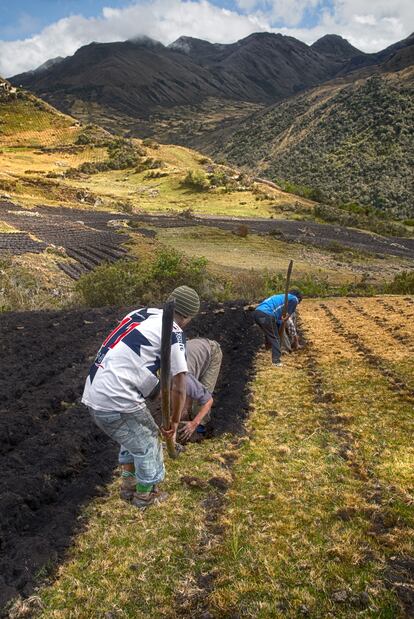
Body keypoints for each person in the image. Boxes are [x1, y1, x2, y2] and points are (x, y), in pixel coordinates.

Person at [82, 285, 200, 509]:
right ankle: (145, 495)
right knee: (148, 440)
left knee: (132, 437)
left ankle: (128, 486)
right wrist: (174, 423)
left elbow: (130, 361)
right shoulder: (174, 333)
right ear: (188, 316)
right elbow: (179, 385)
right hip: (116, 398)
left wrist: (155, 392)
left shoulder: (139, 314)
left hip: (95, 390)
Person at [182, 338, 222, 436]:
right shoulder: (165, 376)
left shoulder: (184, 377)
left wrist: (194, 422)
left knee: (201, 399)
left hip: (211, 352)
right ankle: (189, 415)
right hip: (195, 353)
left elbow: (208, 401)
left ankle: (200, 429)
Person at [254, 289, 303, 366]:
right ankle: (276, 361)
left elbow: (278, 321)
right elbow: (288, 320)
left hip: (257, 313)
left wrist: (281, 323)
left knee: (269, 333)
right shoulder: (294, 298)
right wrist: (287, 317)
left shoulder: (279, 298)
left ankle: (268, 349)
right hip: (267, 314)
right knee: (275, 338)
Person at [177, 373, 214, 442]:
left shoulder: (185, 381)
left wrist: (195, 422)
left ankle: (198, 432)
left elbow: (209, 401)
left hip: (207, 363)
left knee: (203, 395)